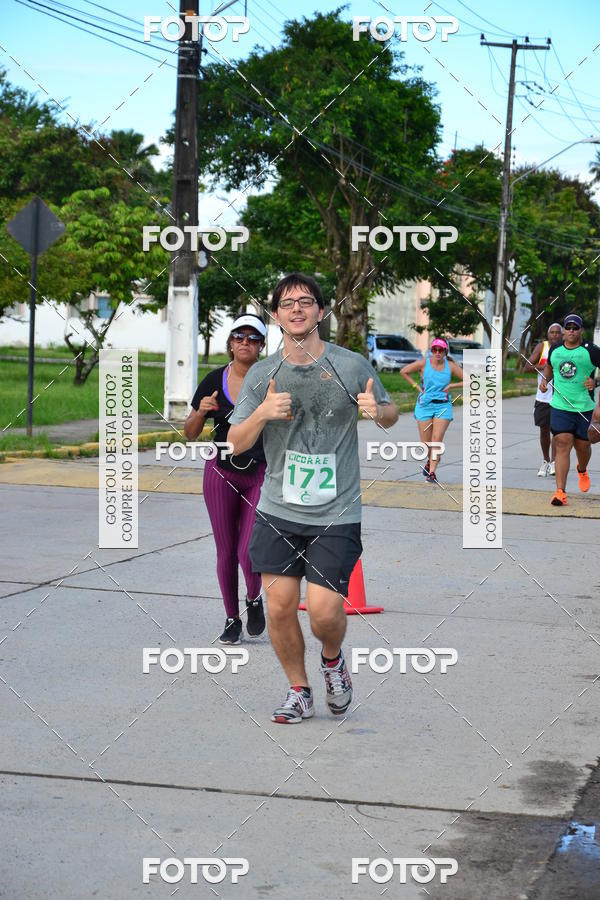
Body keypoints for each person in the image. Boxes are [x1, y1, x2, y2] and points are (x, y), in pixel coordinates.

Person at [227, 273, 398, 724]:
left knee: (323, 613)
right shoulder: (263, 375)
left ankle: (332, 660)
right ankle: (298, 690)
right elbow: (237, 442)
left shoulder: (351, 365)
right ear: (277, 315)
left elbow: (390, 413)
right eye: (287, 304)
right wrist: (263, 412)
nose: (297, 310)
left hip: (336, 511)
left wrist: (376, 411)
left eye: (306, 302)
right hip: (278, 509)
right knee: (280, 607)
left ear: (321, 311)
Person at [184, 314, 268, 644]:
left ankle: (254, 599)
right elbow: (190, 434)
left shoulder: (270, 381)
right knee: (226, 551)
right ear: (230, 343)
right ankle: (232, 618)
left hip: (259, 474)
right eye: (239, 336)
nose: (245, 342)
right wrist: (200, 412)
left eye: (253, 338)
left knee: (249, 549)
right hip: (220, 474)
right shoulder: (213, 380)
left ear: (261, 346)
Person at [539, 313, 600, 506]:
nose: (571, 331)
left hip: (585, 407)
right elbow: (550, 367)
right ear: (564, 330)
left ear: (581, 330)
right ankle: (560, 492)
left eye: (576, 328)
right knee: (562, 443)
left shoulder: (591, 350)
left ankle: (581, 469)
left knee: (583, 446)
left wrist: (596, 381)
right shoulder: (556, 350)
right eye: (568, 327)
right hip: (560, 406)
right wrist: (545, 380)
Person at [399, 338, 463, 483]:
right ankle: (431, 460)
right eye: (435, 350)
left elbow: (470, 380)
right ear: (431, 350)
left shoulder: (451, 366)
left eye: (440, 350)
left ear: (445, 351)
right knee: (426, 443)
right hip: (424, 405)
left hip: (443, 406)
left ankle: (432, 472)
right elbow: (404, 371)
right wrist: (416, 386)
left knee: (436, 440)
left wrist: (452, 386)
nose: (437, 353)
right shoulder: (424, 363)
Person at [524, 323, 562, 477]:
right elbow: (527, 367)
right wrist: (543, 367)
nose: (554, 335)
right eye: (551, 332)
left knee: (558, 432)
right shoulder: (542, 347)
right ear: (548, 335)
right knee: (544, 430)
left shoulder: (566, 348)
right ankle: (546, 460)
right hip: (543, 398)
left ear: (562, 334)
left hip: (560, 397)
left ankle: (554, 462)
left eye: (557, 333)